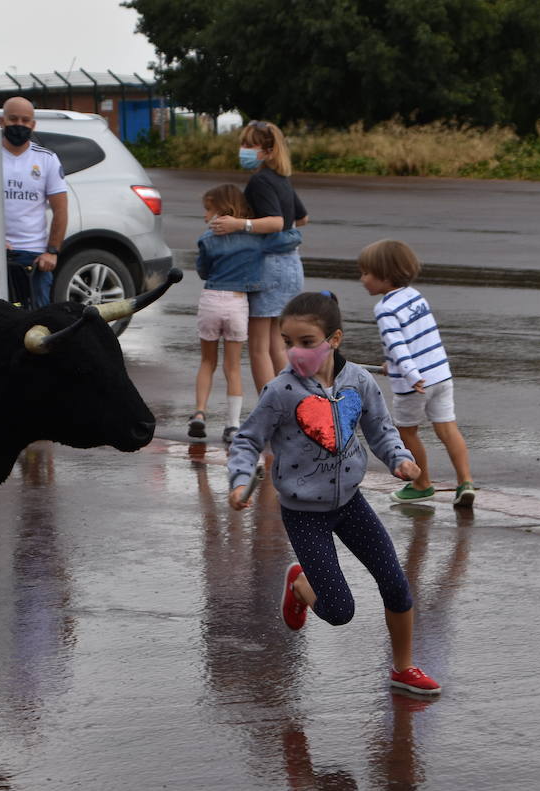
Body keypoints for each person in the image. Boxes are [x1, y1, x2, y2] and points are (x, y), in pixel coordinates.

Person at [227, 291, 442, 696]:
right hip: (303, 513)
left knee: (396, 584)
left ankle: (403, 668)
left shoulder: (359, 380)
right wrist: (240, 480)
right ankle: (300, 586)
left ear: (335, 339)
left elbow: (381, 429)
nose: (295, 352)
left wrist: (400, 460)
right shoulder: (281, 391)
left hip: (350, 504)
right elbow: (247, 440)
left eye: (306, 342)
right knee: (340, 611)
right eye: (287, 343)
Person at [358, 239, 476, 507]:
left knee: (406, 432)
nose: (362, 279)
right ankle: (465, 482)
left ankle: (422, 484)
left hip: (415, 384)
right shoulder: (416, 296)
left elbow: (398, 345)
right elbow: (419, 338)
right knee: (448, 428)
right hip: (441, 375)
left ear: (385, 276)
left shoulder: (385, 308)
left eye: (366, 273)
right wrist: (395, 365)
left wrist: (410, 373)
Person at [209, 120, 308, 395]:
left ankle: (272, 408)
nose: (243, 150)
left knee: (258, 348)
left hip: (270, 268)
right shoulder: (281, 179)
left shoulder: (260, 181)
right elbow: (302, 217)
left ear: (267, 150)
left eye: (249, 145)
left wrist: (240, 225)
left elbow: (276, 222)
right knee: (278, 344)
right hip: (291, 264)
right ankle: (294, 404)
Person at [190, 183, 261, 444]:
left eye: (208, 209)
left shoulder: (208, 238)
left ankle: (199, 413)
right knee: (233, 367)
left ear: (221, 208)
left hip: (211, 299)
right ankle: (232, 425)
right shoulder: (254, 237)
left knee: (207, 362)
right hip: (237, 302)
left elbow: (203, 271)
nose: (205, 215)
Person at [0, 97, 68, 309]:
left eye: (25, 120)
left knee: (38, 321)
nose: (19, 125)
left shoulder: (46, 159)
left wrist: (52, 252)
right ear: (1, 121)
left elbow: (60, 210)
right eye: (13, 119)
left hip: (35, 257)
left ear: (33, 125)